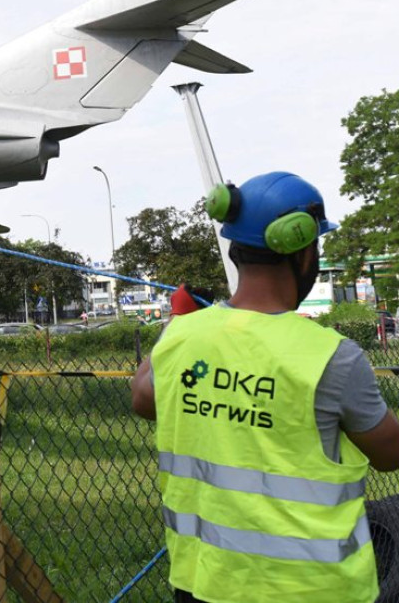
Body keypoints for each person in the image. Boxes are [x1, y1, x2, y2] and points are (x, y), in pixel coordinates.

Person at [131, 172, 399, 603]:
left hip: (204, 583)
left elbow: (143, 399)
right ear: (304, 249)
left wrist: (182, 321)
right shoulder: (332, 357)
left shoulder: (183, 336)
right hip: (314, 589)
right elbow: (391, 454)